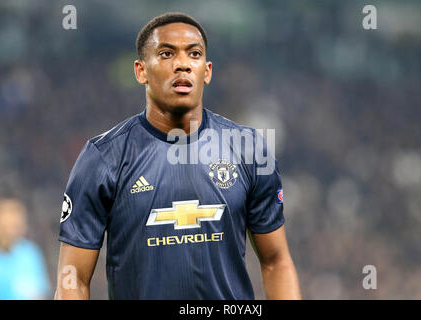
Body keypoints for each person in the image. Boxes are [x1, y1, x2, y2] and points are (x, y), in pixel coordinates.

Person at [55, 12, 302, 300]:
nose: (182, 64)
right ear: (141, 71)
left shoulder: (248, 149)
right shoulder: (102, 158)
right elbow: (73, 278)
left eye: (194, 54)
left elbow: (276, 262)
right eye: (166, 53)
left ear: (206, 71)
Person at [0, 198, 50, 299]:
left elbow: (39, 293)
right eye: (6, 227)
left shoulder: (30, 253)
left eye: (15, 225)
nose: (11, 231)